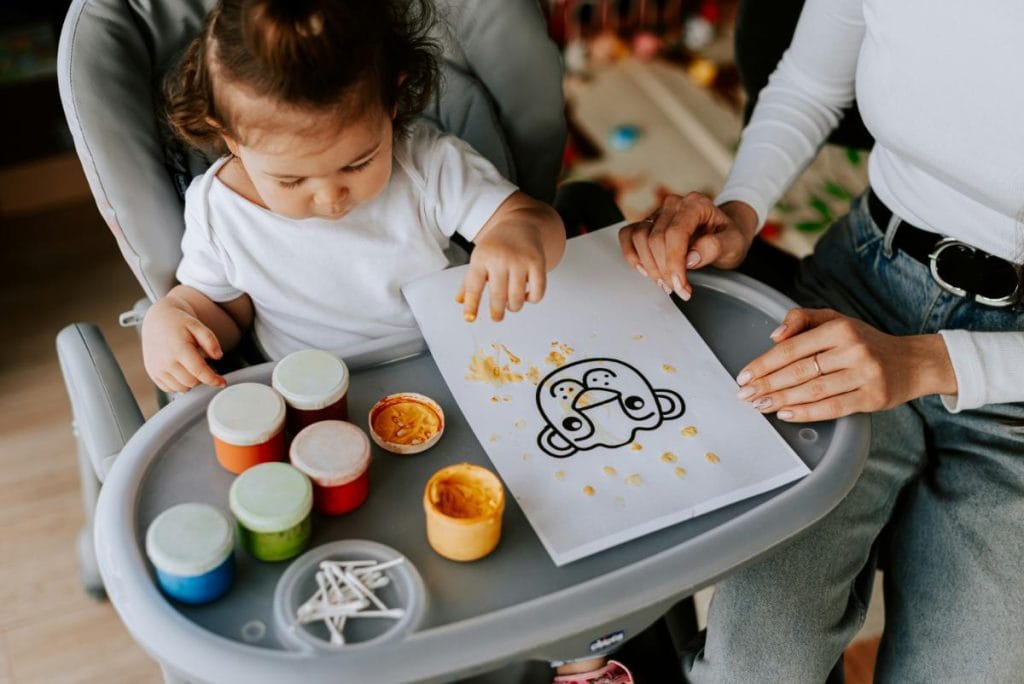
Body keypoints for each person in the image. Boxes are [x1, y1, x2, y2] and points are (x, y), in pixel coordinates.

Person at [619, 0, 1024, 681]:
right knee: (756, 664)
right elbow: (809, 82)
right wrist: (741, 210)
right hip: (863, 289)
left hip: (1013, 387)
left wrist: (930, 362)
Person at [141, 0, 565, 392]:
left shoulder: (425, 165)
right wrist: (174, 317)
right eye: (291, 180)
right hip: (310, 390)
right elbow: (226, 311)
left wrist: (517, 236)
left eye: (358, 163)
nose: (330, 197)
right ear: (228, 137)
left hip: (456, 360)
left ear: (391, 101)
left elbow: (532, 219)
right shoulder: (220, 212)